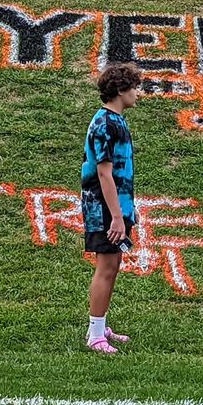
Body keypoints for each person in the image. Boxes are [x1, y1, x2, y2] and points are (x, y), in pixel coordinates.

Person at [82, 62, 142, 354]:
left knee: (114, 264)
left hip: (116, 204)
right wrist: (116, 216)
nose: (137, 94)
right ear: (120, 90)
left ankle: (100, 323)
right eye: (134, 88)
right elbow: (105, 173)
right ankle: (95, 334)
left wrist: (128, 208)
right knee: (106, 267)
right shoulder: (105, 124)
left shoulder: (116, 120)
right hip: (104, 208)